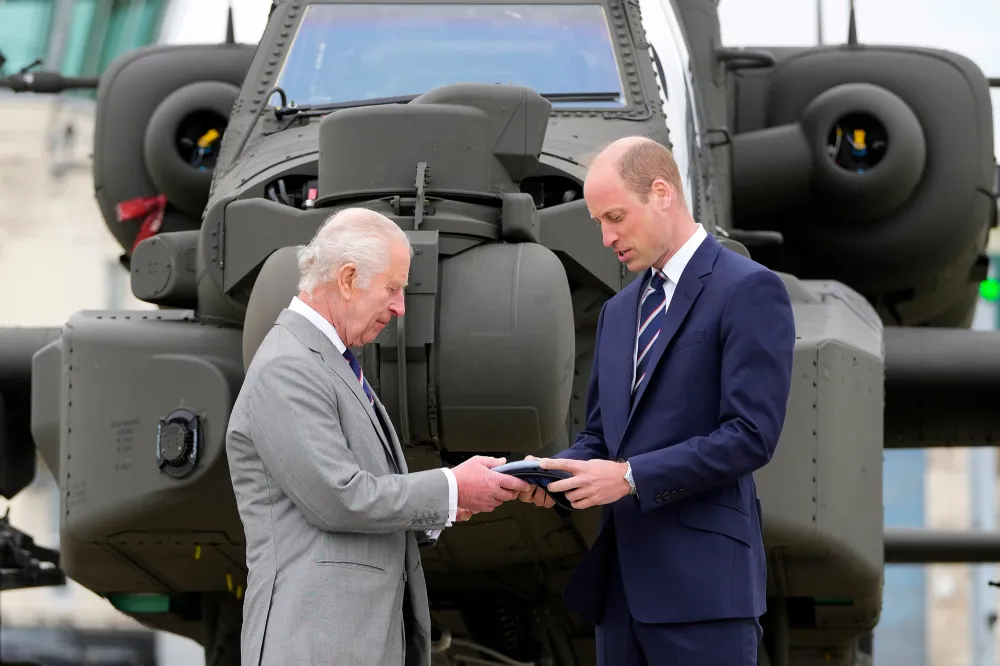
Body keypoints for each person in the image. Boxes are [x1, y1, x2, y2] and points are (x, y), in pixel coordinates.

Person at [519, 136, 795, 665]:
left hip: (704, 597)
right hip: (621, 596)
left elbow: (750, 436)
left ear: (662, 193)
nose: (606, 238)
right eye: (599, 222)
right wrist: (555, 474)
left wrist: (629, 478)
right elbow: (602, 436)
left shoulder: (748, 289)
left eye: (616, 217)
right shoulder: (619, 311)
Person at [226, 208, 531, 666]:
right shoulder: (289, 366)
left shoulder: (325, 362)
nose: (400, 307)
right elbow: (340, 498)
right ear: (348, 279)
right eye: (392, 288)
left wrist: (449, 503)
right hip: (319, 647)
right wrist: (450, 488)